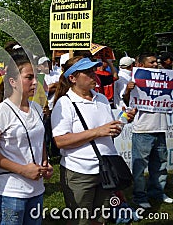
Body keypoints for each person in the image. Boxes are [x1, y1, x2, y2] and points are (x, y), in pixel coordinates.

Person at [51, 56, 127, 225]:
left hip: (106, 169)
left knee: (101, 219)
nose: (94, 75)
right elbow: (61, 141)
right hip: (79, 172)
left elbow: (106, 132)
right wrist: (98, 132)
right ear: (72, 78)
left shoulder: (100, 99)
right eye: (88, 72)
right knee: (80, 221)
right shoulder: (65, 103)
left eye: (93, 71)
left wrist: (114, 129)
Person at [0, 53, 53, 225]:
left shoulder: (36, 108)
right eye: (29, 77)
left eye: (36, 77)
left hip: (36, 189)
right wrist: (22, 170)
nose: (35, 82)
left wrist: (45, 162)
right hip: (11, 191)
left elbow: (39, 139)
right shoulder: (2, 111)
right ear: (13, 81)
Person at [125, 53, 173, 209]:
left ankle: (157, 192)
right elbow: (127, 103)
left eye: (156, 62)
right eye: (151, 62)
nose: (154, 64)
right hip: (142, 130)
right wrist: (127, 90)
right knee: (140, 167)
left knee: (160, 164)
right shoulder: (134, 81)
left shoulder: (164, 79)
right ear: (141, 64)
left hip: (160, 128)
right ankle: (140, 196)